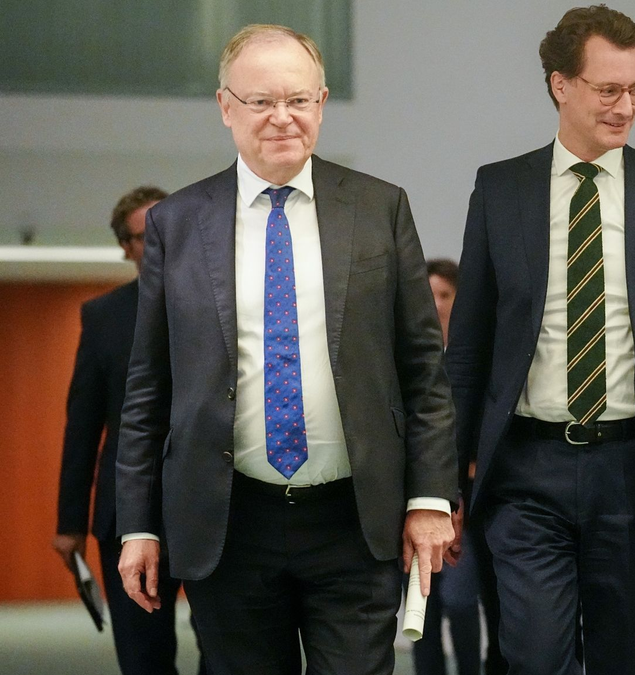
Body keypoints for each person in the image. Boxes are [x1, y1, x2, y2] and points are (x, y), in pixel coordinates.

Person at [114, 24, 457, 675]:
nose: (282, 118)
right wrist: (139, 523)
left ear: (322, 103)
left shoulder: (380, 210)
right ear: (225, 107)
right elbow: (148, 388)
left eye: (299, 100)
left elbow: (424, 371)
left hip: (354, 522)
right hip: (228, 523)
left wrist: (430, 498)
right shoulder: (176, 224)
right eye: (260, 101)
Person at [443, 6, 635, 674]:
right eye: (609, 89)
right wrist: (444, 479)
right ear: (561, 85)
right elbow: (467, 348)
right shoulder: (501, 189)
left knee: (626, 657)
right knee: (535, 651)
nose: (626, 105)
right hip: (523, 469)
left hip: (633, 467)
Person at [53, 186, 207, 675]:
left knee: (230, 651)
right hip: (131, 509)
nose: (158, 246)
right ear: (126, 247)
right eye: (145, 238)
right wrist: (70, 523)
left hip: (214, 504)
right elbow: (83, 424)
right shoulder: (103, 316)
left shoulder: (225, 305)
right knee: (144, 656)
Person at [412, 258, 485, 675]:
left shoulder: (472, 359)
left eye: (445, 295)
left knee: (458, 598)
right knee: (422, 605)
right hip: (414, 497)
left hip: (465, 499)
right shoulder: (406, 358)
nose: (435, 304)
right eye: (429, 295)